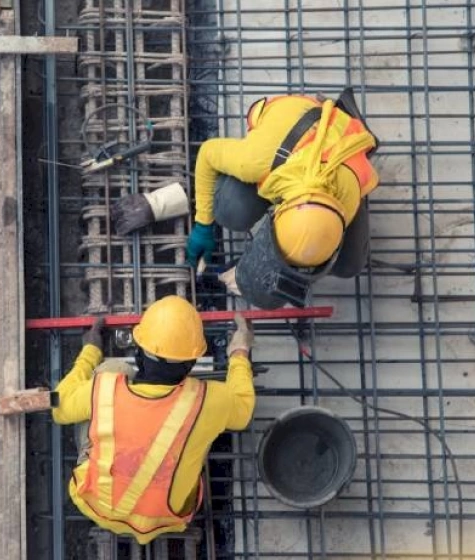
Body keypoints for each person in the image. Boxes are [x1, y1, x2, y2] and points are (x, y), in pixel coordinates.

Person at [51, 296, 255, 544]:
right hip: (167, 519)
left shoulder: (105, 389)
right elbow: (244, 409)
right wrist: (239, 352)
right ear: (191, 363)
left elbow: (59, 407)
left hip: (97, 506)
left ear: (138, 353)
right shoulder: (209, 400)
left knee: (111, 370)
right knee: (201, 427)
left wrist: (90, 351)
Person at [185, 88, 380, 309]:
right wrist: (203, 223)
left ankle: (345, 118)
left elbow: (309, 240)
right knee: (230, 212)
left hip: (342, 150)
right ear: (277, 212)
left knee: (350, 265)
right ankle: (330, 107)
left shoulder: (352, 190)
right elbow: (207, 154)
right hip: (291, 122)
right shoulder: (256, 160)